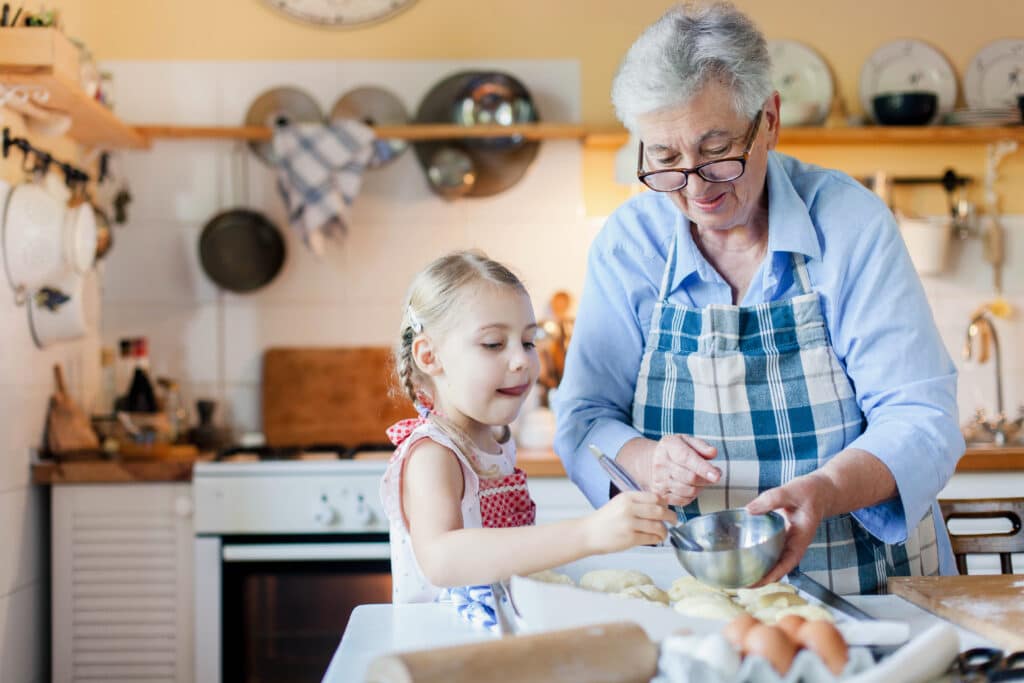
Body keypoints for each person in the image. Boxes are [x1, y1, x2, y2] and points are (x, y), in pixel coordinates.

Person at [553, 2, 964, 594]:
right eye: (666, 161)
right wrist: (648, 462)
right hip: (693, 592)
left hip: (868, 592)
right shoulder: (630, 245)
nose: (695, 189)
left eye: (717, 152)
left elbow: (921, 418)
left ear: (768, 118)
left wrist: (823, 491)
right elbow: (584, 419)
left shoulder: (850, 226)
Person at [380, 250, 676, 604]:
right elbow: (442, 559)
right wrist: (588, 534)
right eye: (493, 344)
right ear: (429, 356)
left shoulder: (494, 439)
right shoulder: (433, 454)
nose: (522, 360)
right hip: (441, 646)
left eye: (528, 342)